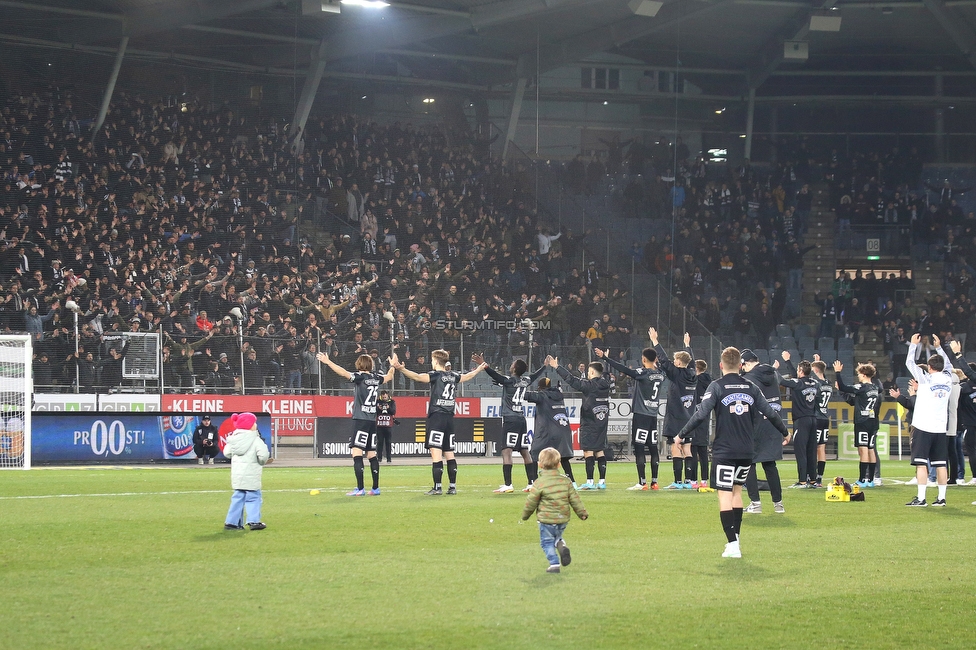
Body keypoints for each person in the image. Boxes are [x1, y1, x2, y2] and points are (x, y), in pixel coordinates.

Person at [678, 347, 789, 558]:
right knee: (737, 492)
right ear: (740, 366)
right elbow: (770, 412)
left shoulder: (716, 386)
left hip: (724, 450)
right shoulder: (751, 387)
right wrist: (785, 432)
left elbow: (700, 415)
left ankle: (732, 544)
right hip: (747, 451)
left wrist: (681, 434)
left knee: (724, 494)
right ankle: (735, 539)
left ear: (721, 365)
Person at [391, 350, 487, 495]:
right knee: (449, 453)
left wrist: (400, 368)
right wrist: (479, 368)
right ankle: (452, 487)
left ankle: (437, 487)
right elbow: (467, 376)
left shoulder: (436, 375)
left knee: (436, 453)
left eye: (432, 360)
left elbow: (417, 377)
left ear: (436, 361)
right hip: (449, 417)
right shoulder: (453, 375)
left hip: (437, 416)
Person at [317, 351, 395, 496]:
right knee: (371, 454)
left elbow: (343, 373)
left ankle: (360, 489)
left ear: (359, 364)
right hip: (372, 421)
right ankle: (375, 488)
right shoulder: (376, 378)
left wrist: (328, 362)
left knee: (357, 453)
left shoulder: (360, 377)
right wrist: (393, 366)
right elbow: (389, 376)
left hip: (361, 420)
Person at [595, 340, 665, 491]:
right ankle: (654, 482)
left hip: (641, 415)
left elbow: (624, 369)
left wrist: (605, 358)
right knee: (653, 448)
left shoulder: (643, 373)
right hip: (653, 416)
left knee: (639, 448)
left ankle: (642, 483)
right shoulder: (660, 374)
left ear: (644, 359)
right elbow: (661, 364)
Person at [476, 354, 546, 493]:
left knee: (506, 451)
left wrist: (484, 364)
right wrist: (544, 366)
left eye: (512, 364)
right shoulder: (525, 380)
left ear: (514, 368)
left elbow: (496, 376)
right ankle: (531, 483)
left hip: (510, 419)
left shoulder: (508, 380)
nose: (510, 365)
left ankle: (508, 485)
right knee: (524, 450)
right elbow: (535, 376)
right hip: (521, 419)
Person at [521, 447, 589, 574]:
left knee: (547, 542)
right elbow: (575, 499)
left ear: (539, 464)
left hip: (546, 519)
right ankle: (561, 545)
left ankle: (554, 564)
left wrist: (525, 515)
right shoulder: (566, 481)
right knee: (557, 535)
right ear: (559, 464)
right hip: (563, 518)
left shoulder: (539, 482)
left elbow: (531, 501)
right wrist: (582, 513)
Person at [903, 334, 952, 506]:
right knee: (941, 464)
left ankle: (922, 498)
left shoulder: (926, 378)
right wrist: (939, 347)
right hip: (940, 428)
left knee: (921, 463)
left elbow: (909, 363)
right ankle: (941, 498)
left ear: (930, 367)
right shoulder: (948, 378)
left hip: (923, 426)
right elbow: (949, 366)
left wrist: (913, 345)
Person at [552, 354, 612, 490]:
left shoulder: (589, 385)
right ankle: (602, 482)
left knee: (588, 451)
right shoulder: (606, 384)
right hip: (602, 423)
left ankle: (590, 482)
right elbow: (606, 374)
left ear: (591, 372)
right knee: (600, 451)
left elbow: (572, 380)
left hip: (589, 422)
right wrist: (606, 360)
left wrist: (557, 367)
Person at [650, 328, 697, 489]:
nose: (673, 361)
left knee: (676, 449)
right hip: (690, 419)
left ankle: (677, 482)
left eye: (675, 360)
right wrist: (687, 346)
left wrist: (655, 341)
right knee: (688, 449)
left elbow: (663, 360)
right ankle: (689, 482)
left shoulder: (676, 374)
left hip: (675, 418)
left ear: (678, 363)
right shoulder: (692, 373)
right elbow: (691, 362)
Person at [741, 349, 787, 513]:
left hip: (755, 425)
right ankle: (778, 504)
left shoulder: (748, 379)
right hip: (774, 424)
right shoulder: (774, 374)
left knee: (749, 464)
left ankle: (755, 504)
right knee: (770, 465)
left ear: (745, 363)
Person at [832, 359, 882, 489]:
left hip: (862, 421)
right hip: (873, 421)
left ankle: (861, 480)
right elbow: (855, 400)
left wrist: (837, 373)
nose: (858, 376)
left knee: (863, 449)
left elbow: (844, 387)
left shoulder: (862, 387)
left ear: (864, 375)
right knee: (871, 450)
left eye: (859, 374)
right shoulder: (875, 388)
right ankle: (870, 480)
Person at [775, 352, 821, 487]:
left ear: (800, 371)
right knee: (812, 451)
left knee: (801, 451)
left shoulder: (798, 383)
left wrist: (775, 370)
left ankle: (802, 481)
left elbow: (782, 381)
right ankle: (813, 480)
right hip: (813, 419)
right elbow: (802, 380)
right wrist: (788, 361)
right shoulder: (815, 383)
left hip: (801, 420)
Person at [524, 373, 577, 485]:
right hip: (563, 430)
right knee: (563, 457)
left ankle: (533, 482)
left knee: (533, 454)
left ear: (540, 387)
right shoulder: (559, 395)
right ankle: (572, 481)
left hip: (547, 431)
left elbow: (525, 395)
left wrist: (515, 386)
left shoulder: (541, 395)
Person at [223, 412, 271, 531]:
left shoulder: (233, 439)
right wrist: (261, 462)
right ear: (250, 425)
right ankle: (253, 521)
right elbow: (263, 456)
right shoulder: (255, 440)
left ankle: (232, 522)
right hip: (251, 475)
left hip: (237, 476)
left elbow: (227, 453)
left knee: (238, 497)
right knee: (254, 497)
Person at [689, 359, 713, 489]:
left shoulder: (695, 382)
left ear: (696, 369)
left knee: (693, 450)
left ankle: (693, 481)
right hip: (705, 418)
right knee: (703, 452)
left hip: (694, 417)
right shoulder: (710, 383)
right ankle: (704, 480)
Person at [811, 355, 833, 486]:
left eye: (813, 369)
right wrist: (818, 360)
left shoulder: (816, 384)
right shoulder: (828, 384)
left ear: (816, 370)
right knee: (822, 449)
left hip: (816, 417)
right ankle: (819, 478)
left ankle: (812, 476)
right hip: (825, 418)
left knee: (813, 448)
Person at [375, 390, 397, 464]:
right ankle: (379, 458)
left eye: (385, 397)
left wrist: (388, 408)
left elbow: (393, 411)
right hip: (380, 425)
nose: (384, 398)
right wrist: (379, 408)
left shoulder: (392, 402)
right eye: (383, 397)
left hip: (388, 425)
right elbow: (374, 411)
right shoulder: (378, 402)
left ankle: (389, 459)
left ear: (387, 396)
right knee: (379, 442)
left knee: (388, 442)